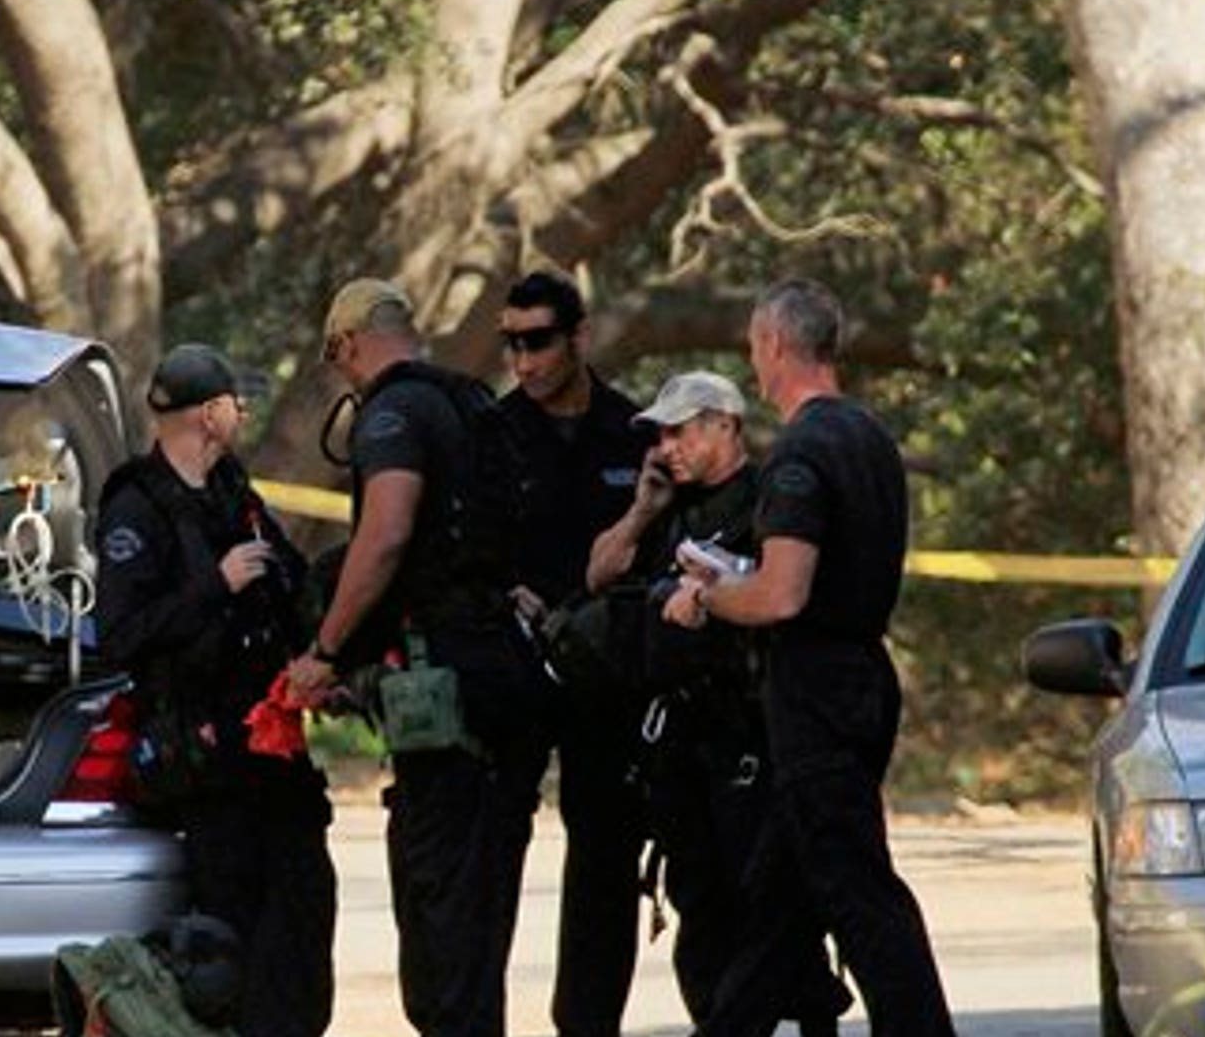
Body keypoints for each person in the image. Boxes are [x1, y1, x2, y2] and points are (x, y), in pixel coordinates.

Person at [664, 280, 956, 1037]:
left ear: (776, 346)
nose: (753, 365)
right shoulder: (868, 438)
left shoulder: (801, 452)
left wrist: (706, 596)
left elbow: (781, 597)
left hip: (817, 694)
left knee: (860, 895)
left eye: (754, 347)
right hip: (860, 680)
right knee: (777, 900)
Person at [288, 279, 550, 1037]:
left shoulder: (393, 413)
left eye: (337, 361)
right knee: (481, 913)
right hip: (506, 676)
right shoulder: (473, 403)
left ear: (347, 343)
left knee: (439, 915)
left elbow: (387, 535)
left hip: (447, 692)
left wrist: (327, 650)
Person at [586, 371, 850, 1037]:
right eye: (661, 435)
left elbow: (785, 591)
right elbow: (599, 573)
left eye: (679, 431)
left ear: (724, 425)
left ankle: (804, 1015)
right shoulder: (668, 508)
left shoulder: (769, 497)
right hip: (679, 734)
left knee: (764, 894)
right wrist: (643, 508)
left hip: (749, 729)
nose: (667, 446)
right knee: (698, 898)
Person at [94, 344, 335, 1037]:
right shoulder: (136, 506)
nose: (244, 412)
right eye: (236, 401)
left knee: (305, 909)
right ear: (209, 413)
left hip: (273, 750)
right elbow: (121, 634)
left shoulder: (234, 491)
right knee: (227, 940)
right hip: (204, 761)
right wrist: (213, 586)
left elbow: (289, 584)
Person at [496, 269, 653, 1037]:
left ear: (578, 338)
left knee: (605, 852)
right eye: (511, 344)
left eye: (538, 341)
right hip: (516, 667)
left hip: (605, 671)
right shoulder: (491, 434)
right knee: (492, 846)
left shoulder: (633, 431)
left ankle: (587, 1024)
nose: (523, 360)